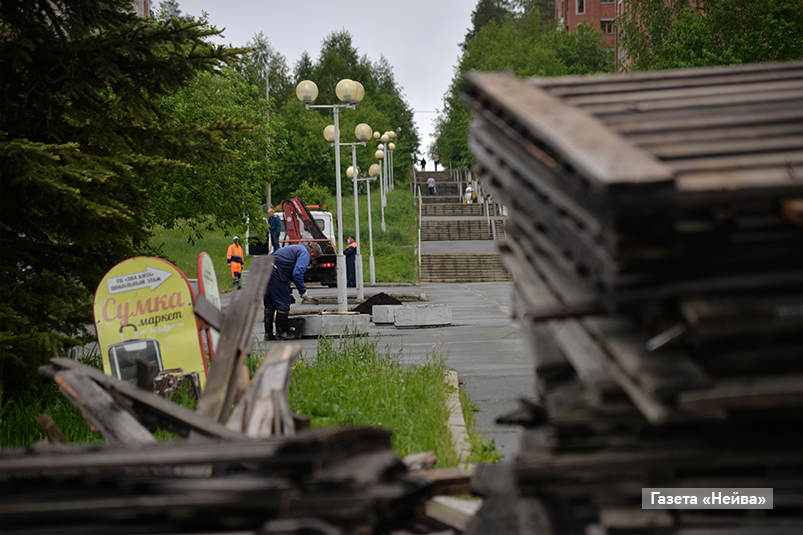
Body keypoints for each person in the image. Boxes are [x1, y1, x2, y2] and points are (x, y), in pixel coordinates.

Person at [263, 242, 321, 341]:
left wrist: (289, 291)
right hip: (274, 273)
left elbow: (286, 271)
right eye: (314, 257)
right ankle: (281, 333)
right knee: (284, 303)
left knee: (270, 304)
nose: (313, 260)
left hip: (265, 270)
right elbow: (297, 273)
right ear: (312, 251)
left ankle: (268, 334)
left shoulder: (297, 249)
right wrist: (303, 292)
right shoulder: (305, 254)